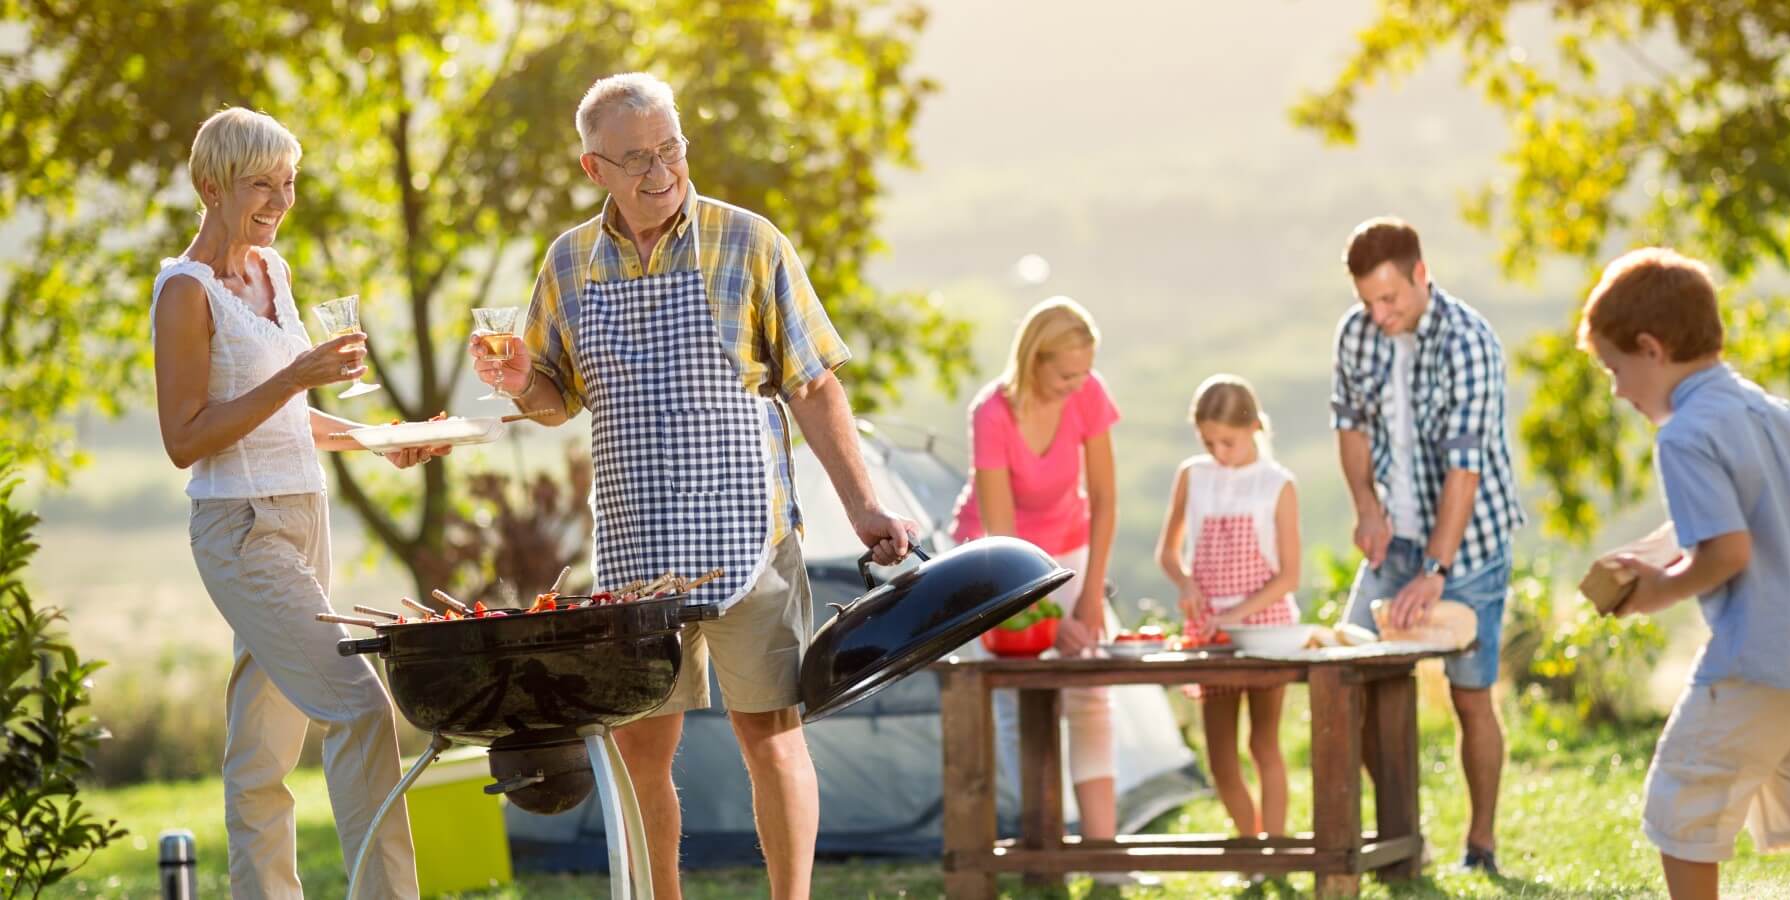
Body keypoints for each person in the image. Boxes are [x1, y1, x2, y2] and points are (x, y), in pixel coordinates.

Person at [469, 73, 915, 900]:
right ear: (591, 167)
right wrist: (518, 379)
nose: (660, 169)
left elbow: (813, 386)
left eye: (670, 147)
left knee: (771, 735)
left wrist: (863, 506)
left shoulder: (750, 242)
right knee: (642, 750)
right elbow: (554, 399)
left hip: (750, 537)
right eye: (635, 157)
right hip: (638, 549)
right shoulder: (568, 262)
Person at [151, 107, 447, 898]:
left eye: (289, 183)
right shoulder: (185, 291)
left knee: (259, 753)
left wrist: (382, 439)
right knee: (359, 708)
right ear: (211, 187)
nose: (281, 201)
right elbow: (184, 437)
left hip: (303, 515)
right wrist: (294, 375)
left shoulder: (272, 273)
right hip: (242, 529)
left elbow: (288, 417)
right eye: (262, 185)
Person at [1582, 248, 1790, 900]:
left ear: (1651, 349)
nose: (1618, 389)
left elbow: (1728, 553)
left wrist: (1654, 591)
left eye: (1613, 369)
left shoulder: (1683, 435)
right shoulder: (1772, 411)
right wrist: (1663, 546)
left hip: (1756, 662)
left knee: (1679, 798)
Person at [1328, 216, 1524, 874]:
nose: (1379, 314)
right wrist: (1367, 509)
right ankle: (1405, 839)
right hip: (1396, 542)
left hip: (1469, 546)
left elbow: (1464, 470)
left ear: (1421, 274)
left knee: (1471, 697)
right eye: (1368, 301)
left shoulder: (1469, 341)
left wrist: (1436, 569)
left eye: (1391, 299)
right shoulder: (1357, 334)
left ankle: (1483, 846)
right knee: (1346, 680)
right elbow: (1349, 425)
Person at [950, 297, 1124, 850]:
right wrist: (1048, 622)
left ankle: (1102, 854)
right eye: (1066, 374)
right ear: (1034, 360)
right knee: (1016, 698)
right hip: (995, 562)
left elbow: (1103, 497)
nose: (1077, 385)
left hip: (1068, 549)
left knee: (1089, 691)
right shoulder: (991, 413)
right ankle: (1041, 850)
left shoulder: (1088, 393)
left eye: (1084, 373)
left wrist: (1090, 596)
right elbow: (1005, 548)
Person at [1154, 374, 1301, 840]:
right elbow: (1168, 551)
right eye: (1210, 441)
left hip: (1265, 630)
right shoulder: (1192, 476)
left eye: (1229, 442)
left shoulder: (1277, 484)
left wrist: (1236, 615)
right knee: (1219, 755)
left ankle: (1274, 850)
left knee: (1263, 743)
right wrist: (1186, 583)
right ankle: (1250, 844)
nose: (1220, 452)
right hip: (1209, 632)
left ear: (1256, 427)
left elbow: (1289, 577)